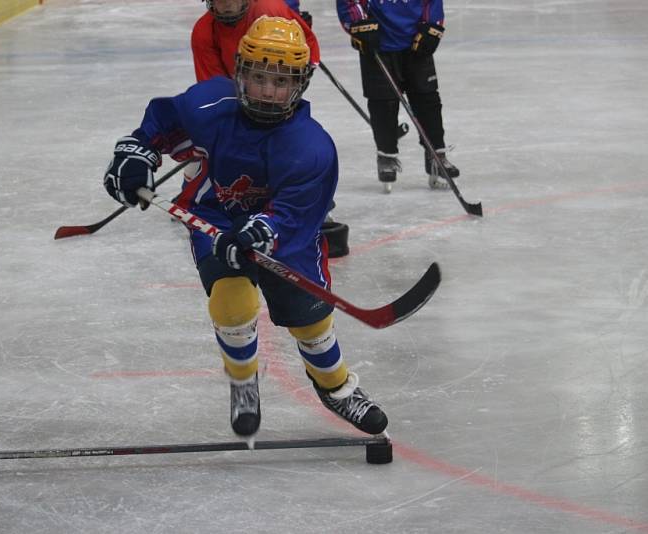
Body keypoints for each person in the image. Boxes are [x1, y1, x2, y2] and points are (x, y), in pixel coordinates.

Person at [103, 16, 387, 438]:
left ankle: (336, 387)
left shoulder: (311, 147)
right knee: (231, 306)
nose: (269, 92)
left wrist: (261, 231)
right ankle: (243, 383)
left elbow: (295, 216)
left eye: (282, 81)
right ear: (239, 74)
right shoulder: (209, 105)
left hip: (283, 235)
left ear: (302, 83)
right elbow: (161, 124)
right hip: (215, 217)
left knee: (309, 321)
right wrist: (136, 152)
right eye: (258, 78)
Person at [193, 0, 350, 258]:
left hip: (278, 92)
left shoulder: (271, 10)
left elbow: (309, 48)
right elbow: (212, 88)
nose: (228, 6)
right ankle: (213, 200)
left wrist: (287, 85)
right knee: (215, 151)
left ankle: (310, 205)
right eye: (220, 0)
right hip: (242, 97)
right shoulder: (203, 32)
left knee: (293, 150)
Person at [336, 0, 460, 193]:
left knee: (428, 101)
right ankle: (386, 156)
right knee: (382, 102)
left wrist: (432, 25)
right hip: (378, 43)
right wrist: (359, 23)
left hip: (416, 41)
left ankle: (436, 154)